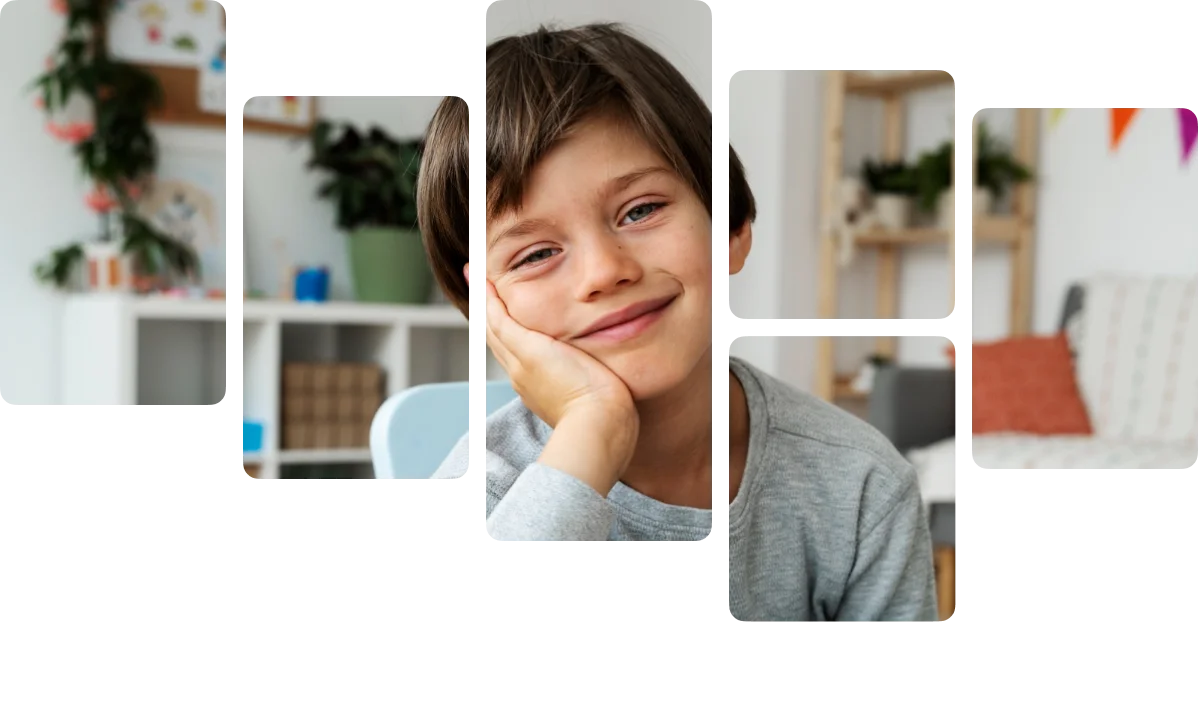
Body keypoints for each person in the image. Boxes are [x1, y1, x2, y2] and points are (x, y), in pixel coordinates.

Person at [420, 23, 937, 622]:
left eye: (640, 210)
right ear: (487, 306)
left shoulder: (859, 485)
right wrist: (592, 430)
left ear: (731, 224)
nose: (603, 271)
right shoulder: (492, 486)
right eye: (535, 254)